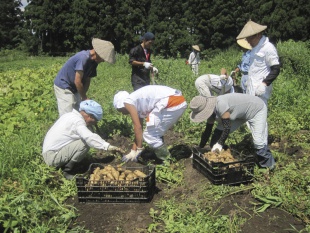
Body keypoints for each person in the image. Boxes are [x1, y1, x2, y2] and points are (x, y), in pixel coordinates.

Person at [42, 100, 123, 179]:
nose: (94, 123)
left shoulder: (70, 115)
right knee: (85, 143)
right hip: (52, 157)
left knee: (85, 137)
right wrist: (108, 147)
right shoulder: (78, 122)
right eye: (94, 120)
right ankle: (68, 171)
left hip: (51, 152)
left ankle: (66, 164)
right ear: (89, 116)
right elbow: (89, 137)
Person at [189, 94, 275, 169]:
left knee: (258, 142)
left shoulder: (220, 105)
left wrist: (220, 144)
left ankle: (268, 166)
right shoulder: (211, 112)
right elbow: (208, 130)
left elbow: (227, 127)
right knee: (215, 139)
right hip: (240, 114)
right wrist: (200, 148)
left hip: (256, 109)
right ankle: (225, 157)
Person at [113, 85, 187, 162]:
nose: (121, 113)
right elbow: (139, 129)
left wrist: (139, 148)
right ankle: (159, 155)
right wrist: (133, 151)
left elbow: (137, 127)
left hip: (172, 103)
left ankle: (166, 160)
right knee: (153, 131)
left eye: (120, 110)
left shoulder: (127, 102)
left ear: (121, 106)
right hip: (176, 101)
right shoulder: (135, 102)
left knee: (150, 135)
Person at [54, 38, 116, 116]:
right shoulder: (83, 57)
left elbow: (87, 79)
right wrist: (84, 97)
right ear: (98, 53)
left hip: (74, 87)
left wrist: (83, 96)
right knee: (67, 114)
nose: (103, 61)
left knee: (78, 110)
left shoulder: (94, 63)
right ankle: (64, 127)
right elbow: (77, 81)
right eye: (103, 58)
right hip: (64, 85)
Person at [236, 20, 280, 105]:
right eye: (247, 38)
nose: (248, 41)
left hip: (261, 91)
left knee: (260, 116)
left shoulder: (268, 48)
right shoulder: (254, 49)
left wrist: (264, 84)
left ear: (258, 35)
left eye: (249, 38)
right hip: (251, 89)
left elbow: (276, 69)